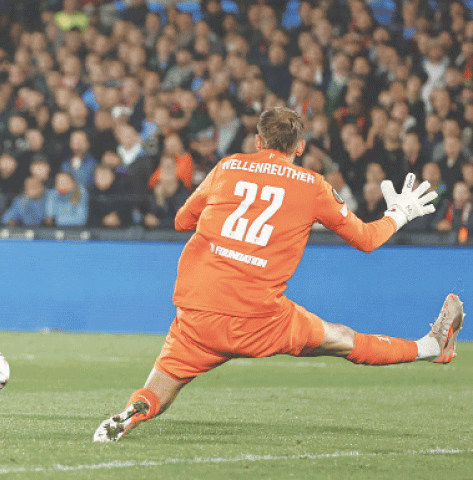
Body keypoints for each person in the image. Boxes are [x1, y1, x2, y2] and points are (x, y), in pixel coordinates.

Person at [94, 107, 464, 442]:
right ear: (300, 147)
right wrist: (399, 213)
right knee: (343, 340)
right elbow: (366, 239)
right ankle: (431, 347)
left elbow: (180, 221)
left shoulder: (227, 167)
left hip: (199, 312)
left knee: (164, 382)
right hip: (262, 319)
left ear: (258, 141)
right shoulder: (312, 185)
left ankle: (133, 411)